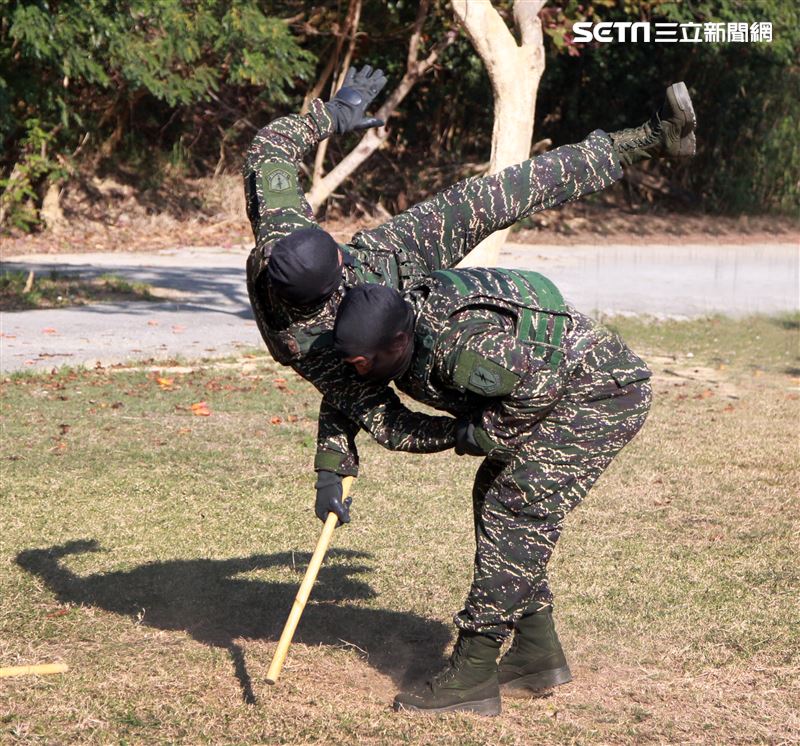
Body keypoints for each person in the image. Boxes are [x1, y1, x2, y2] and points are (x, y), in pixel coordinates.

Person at [242, 64, 695, 530]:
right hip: (378, 292)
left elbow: (268, 147)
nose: (343, 251)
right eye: (341, 261)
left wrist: (334, 115)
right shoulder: (323, 342)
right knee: (398, 358)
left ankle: (650, 137)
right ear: (334, 283)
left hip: (382, 258)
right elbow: (375, 413)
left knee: (490, 197)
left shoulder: (283, 233)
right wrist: (337, 469)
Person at [332, 267, 653, 715]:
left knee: (514, 507)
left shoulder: (458, 344)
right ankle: (537, 655)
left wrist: (483, 434)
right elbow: (377, 415)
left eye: (362, 362)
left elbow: (539, 384)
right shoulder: (391, 332)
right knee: (494, 494)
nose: (357, 370)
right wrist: (333, 465)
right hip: (563, 388)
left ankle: (473, 673)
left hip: (599, 392)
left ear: (399, 342)